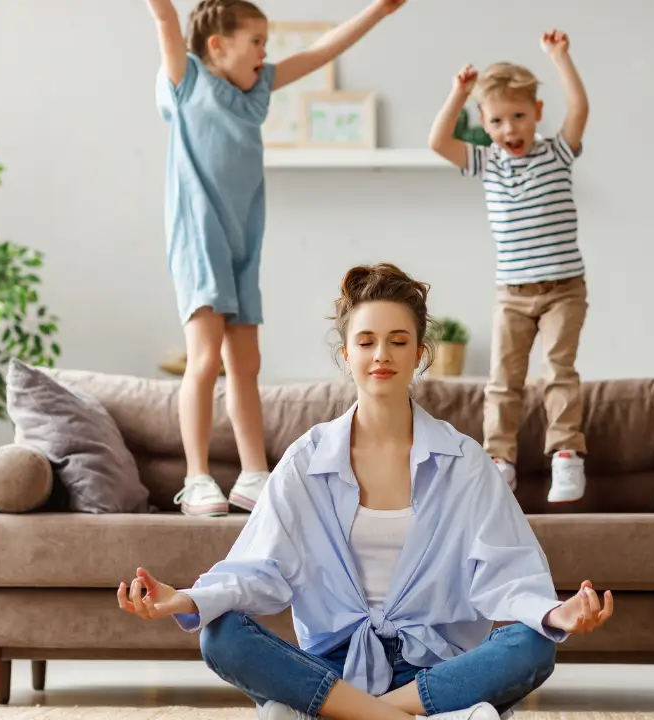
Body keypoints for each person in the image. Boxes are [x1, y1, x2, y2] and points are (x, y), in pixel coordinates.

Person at [117, 264, 614, 720]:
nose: (382, 355)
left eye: (399, 341)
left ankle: (352, 712)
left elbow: (506, 570)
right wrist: (185, 599)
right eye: (367, 341)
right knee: (220, 633)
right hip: (331, 669)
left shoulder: (464, 462)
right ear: (346, 354)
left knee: (534, 645)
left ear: (420, 354)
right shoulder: (307, 460)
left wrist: (554, 613)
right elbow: (258, 569)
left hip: (434, 671)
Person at [144, 0, 407, 517]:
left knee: (246, 363)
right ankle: (196, 477)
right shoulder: (189, 79)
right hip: (199, 239)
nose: (266, 53)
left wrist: (378, 11)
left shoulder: (255, 91)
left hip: (244, 243)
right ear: (218, 45)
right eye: (257, 42)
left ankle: (252, 474)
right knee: (204, 359)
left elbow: (320, 51)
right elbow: (165, 20)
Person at [426, 31, 591, 503]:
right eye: (497, 120)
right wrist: (458, 91)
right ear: (483, 123)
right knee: (503, 380)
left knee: (558, 370)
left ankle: (566, 455)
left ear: (537, 113)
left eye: (519, 116)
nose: (510, 129)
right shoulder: (487, 163)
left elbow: (579, 108)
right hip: (512, 294)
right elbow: (438, 141)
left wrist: (560, 58)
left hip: (564, 289)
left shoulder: (557, 153)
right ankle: (500, 460)